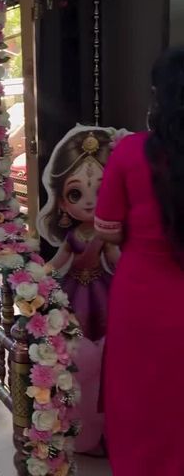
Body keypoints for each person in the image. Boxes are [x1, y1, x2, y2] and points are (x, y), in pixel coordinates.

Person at [95, 47, 184, 475]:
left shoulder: (130, 152)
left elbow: (107, 229)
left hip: (142, 294)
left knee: (139, 394)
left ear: (157, 95)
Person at [37, 125, 122, 453]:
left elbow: (116, 261)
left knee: (107, 361)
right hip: (73, 293)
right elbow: (57, 262)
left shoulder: (104, 236)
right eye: (76, 194)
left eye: (101, 191)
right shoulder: (74, 237)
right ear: (61, 201)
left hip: (104, 292)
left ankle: (106, 427)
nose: (89, 202)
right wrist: (35, 275)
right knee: (74, 362)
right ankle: (78, 426)